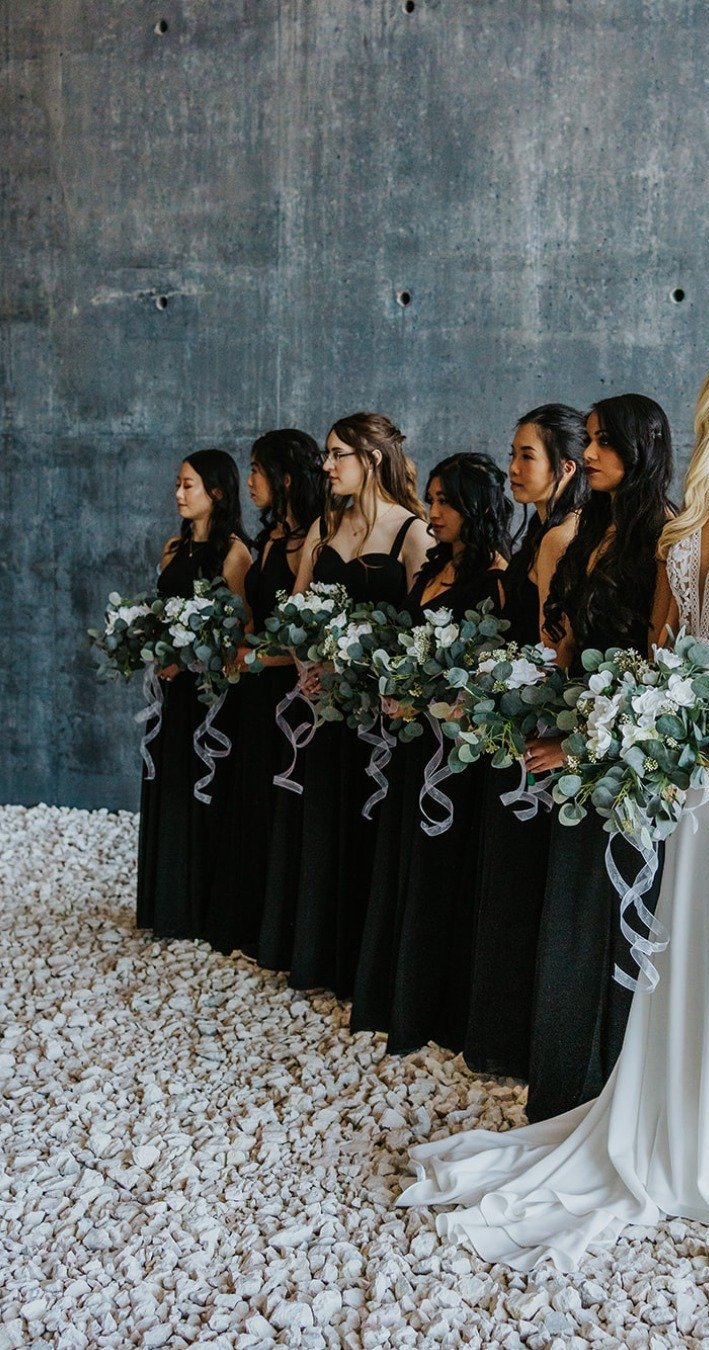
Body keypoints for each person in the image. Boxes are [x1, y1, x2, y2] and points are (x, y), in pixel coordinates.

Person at [397, 332, 709, 1273]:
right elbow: (656, 646)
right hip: (677, 740)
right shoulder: (697, 508)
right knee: (682, 927)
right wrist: (611, 735)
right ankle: (671, 1117)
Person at [523, 394, 675, 1121]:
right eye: (585, 440)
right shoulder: (589, 531)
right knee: (571, 909)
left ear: (643, 448)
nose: (589, 454)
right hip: (574, 733)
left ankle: (616, 1085)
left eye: (604, 442)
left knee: (619, 906)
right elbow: (565, 644)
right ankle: (564, 1081)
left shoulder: (670, 537)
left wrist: (585, 740)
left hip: (625, 750)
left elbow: (662, 664)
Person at [258, 414, 428, 993]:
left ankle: (366, 966)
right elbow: (295, 609)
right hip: (324, 709)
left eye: (337, 455)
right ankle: (318, 954)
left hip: (381, 714)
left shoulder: (413, 533)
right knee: (324, 819)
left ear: (372, 460)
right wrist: (308, 665)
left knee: (371, 826)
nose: (325, 467)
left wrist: (365, 672)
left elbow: (422, 631)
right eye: (326, 457)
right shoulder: (324, 526)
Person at [351, 453, 512, 1054]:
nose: (433, 512)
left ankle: (436, 1006)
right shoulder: (431, 568)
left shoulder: (495, 578)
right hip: (411, 742)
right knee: (404, 855)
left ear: (475, 508)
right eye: (432, 499)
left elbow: (491, 677)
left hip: (457, 756)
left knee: (445, 866)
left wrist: (433, 703)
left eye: (445, 502)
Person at [465, 405, 589, 1079]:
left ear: (566, 468)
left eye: (526, 457)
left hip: (536, 727)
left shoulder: (560, 537)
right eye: (511, 454)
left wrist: (501, 704)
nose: (512, 468)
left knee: (525, 880)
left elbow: (552, 652)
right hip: (514, 716)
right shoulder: (536, 528)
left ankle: (520, 1039)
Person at [204, 429, 325, 958]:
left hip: (291, 690)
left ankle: (285, 929)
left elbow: (305, 634)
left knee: (285, 802)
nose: (249, 479)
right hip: (254, 689)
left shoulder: (319, 537)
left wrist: (256, 656)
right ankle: (250, 916)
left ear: (287, 478)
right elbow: (255, 617)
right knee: (251, 797)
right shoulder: (273, 539)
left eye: (257, 469)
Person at [137, 450, 252, 939]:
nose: (179, 494)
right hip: (169, 693)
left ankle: (201, 909)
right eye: (178, 485)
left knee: (203, 787)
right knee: (168, 780)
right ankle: (166, 905)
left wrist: (190, 658)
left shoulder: (235, 553)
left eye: (188, 486)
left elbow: (244, 631)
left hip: (210, 696)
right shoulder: (172, 548)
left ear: (217, 493)